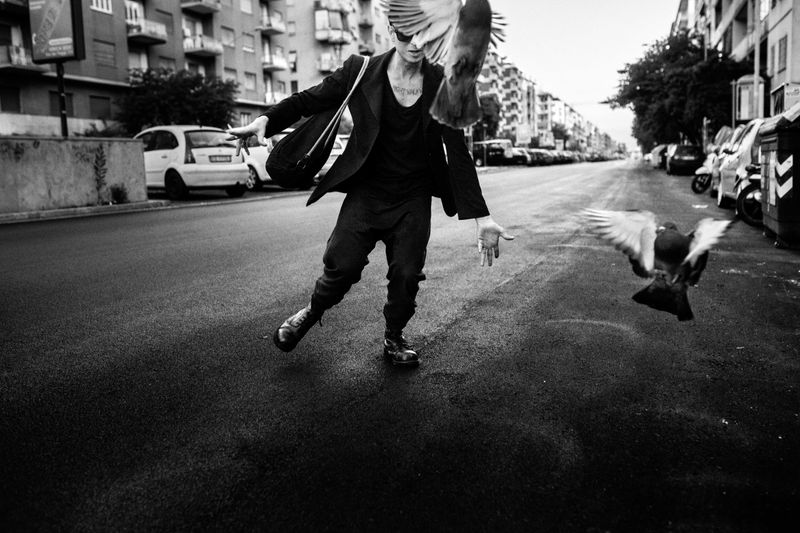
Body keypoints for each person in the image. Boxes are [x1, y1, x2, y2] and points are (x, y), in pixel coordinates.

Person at [227, 24, 513, 367]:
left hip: (413, 196)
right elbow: (308, 99)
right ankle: (311, 311)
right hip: (367, 191)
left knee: (407, 275)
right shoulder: (360, 70)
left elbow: (458, 151)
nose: (416, 42)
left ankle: (394, 336)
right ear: (392, 29)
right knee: (341, 268)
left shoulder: (443, 83)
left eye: (426, 34)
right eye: (408, 33)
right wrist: (265, 121)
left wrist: (482, 217)